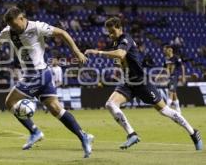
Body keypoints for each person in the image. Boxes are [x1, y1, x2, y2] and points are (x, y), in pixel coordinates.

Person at [0, 6, 94, 158]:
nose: (13, 28)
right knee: (56, 110)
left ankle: (35, 131)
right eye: (10, 26)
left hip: (35, 75)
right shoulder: (8, 32)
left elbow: (62, 33)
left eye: (15, 25)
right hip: (44, 74)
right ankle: (83, 136)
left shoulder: (37, 27)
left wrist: (76, 52)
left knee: (9, 102)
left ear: (22, 18)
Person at [85, 17, 202, 151]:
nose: (110, 35)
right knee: (110, 104)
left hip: (141, 83)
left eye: (112, 31)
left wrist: (98, 52)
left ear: (119, 27)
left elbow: (121, 53)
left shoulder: (126, 39)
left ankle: (193, 132)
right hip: (128, 83)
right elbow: (120, 59)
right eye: (109, 32)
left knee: (165, 110)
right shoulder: (116, 43)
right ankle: (132, 134)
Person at [163, 45, 186, 113]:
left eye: (165, 49)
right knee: (174, 92)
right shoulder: (166, 59)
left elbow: (182, 66)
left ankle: (167, 107)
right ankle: (178, 109)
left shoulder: (176, 57)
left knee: (171, 91)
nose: (164, 51)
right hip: (170, 77)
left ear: (170, 49)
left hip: (174, 76)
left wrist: (183, 76)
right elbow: (165, 68)